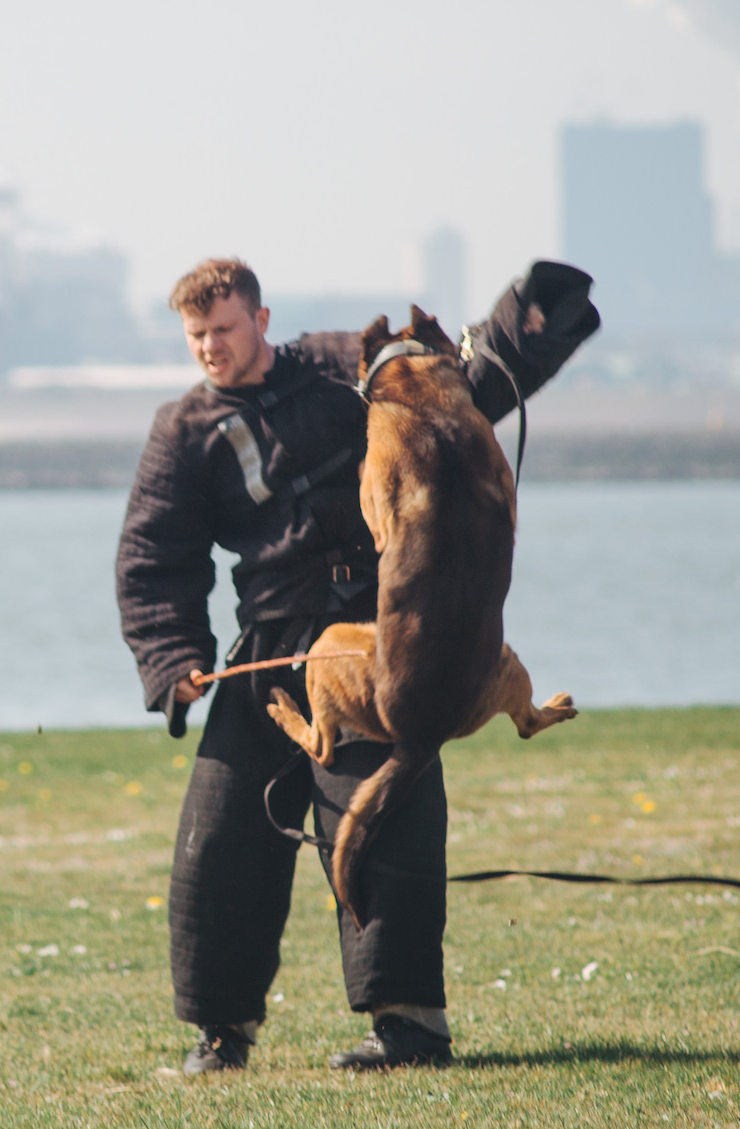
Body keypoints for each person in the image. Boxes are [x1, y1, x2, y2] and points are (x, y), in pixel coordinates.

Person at [115, 257, 598, 1073]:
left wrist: (531, 318)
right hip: (271, 650)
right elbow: (154, 558)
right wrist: (175, 663)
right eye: (196, 335)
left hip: (386, 641)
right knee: (220, 842)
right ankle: (221, 1035)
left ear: (261, 321)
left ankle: (410, 1028)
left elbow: (458, 385)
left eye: (224, 329)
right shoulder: (183, 429)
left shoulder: (345, 368)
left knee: (389, 827)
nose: (210, 348)